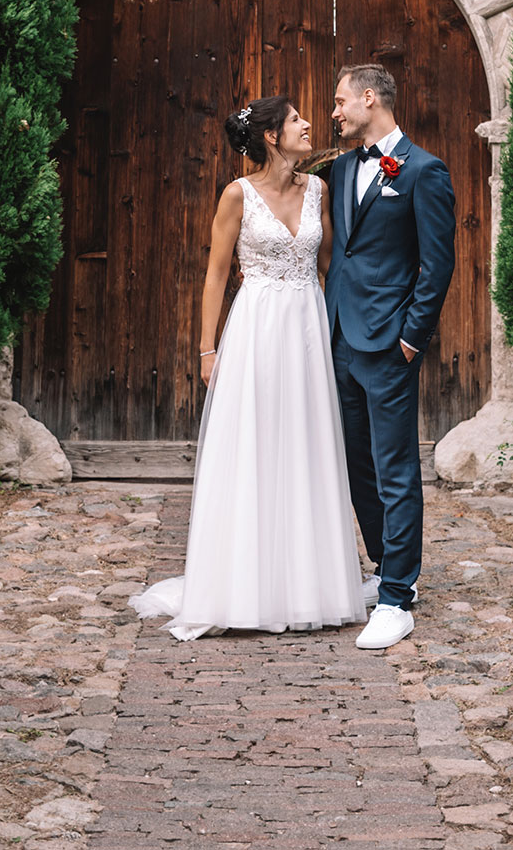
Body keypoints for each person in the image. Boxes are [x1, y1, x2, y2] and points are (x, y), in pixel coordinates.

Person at [129, 97, 367, 641]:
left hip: (305, 329)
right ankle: (242, 584)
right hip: (256, 329)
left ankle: (310, 585)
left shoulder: (320, 192)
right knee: (254, 446)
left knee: (305, 446)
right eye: (295, 121)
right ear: (270, 137)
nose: (308, 125)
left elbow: (330, 266)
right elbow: (215, 276)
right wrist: (206, 349)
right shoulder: (237, 195)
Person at [326, 63, 455, 650]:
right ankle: (383, 566)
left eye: (340, 101)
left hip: (389, 343)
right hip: (339, 341)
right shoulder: (342, 167)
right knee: (356, 464)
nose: (334, 112)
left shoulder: (423, 172)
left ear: (369, 99)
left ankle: (398, 597)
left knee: (395, 468)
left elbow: (438, 263)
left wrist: (412, 336)